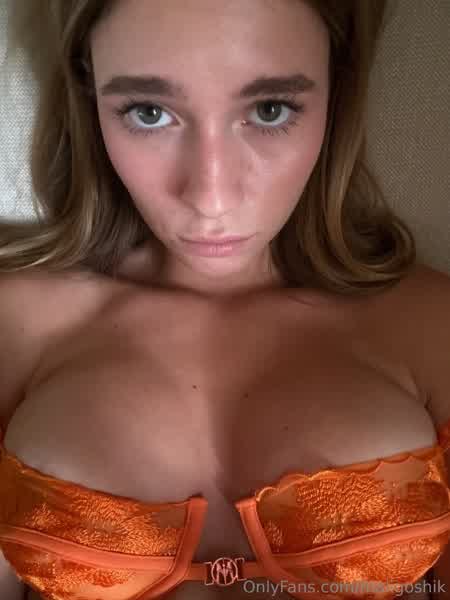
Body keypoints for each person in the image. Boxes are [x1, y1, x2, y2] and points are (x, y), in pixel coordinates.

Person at [0, 1, 449, 599]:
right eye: (149, 112)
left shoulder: (431, 324)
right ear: (91, 101)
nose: (211, 196)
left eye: (270, 109)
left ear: (335, 96)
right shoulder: (14, 323)